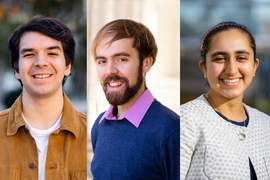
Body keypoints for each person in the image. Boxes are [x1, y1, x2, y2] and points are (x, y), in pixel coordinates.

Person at [90, 19, 180, 180]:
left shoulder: (172, 131)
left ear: (146, 63)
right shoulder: (99, 126)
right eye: (102, 61)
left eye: (121, 59)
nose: (110, 71)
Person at [0, 15, 87, 180]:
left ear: (67, 66)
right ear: (17, 69)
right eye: (29, 54)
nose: (41, 62)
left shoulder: (95, 137)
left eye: (52, 53)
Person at [180, 22, 270, 179]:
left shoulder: (266, 124)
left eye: (241, 58)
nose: (232, 70)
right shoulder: (185, 121)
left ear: (254, 66)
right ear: (204, 69)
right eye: (220, 58)